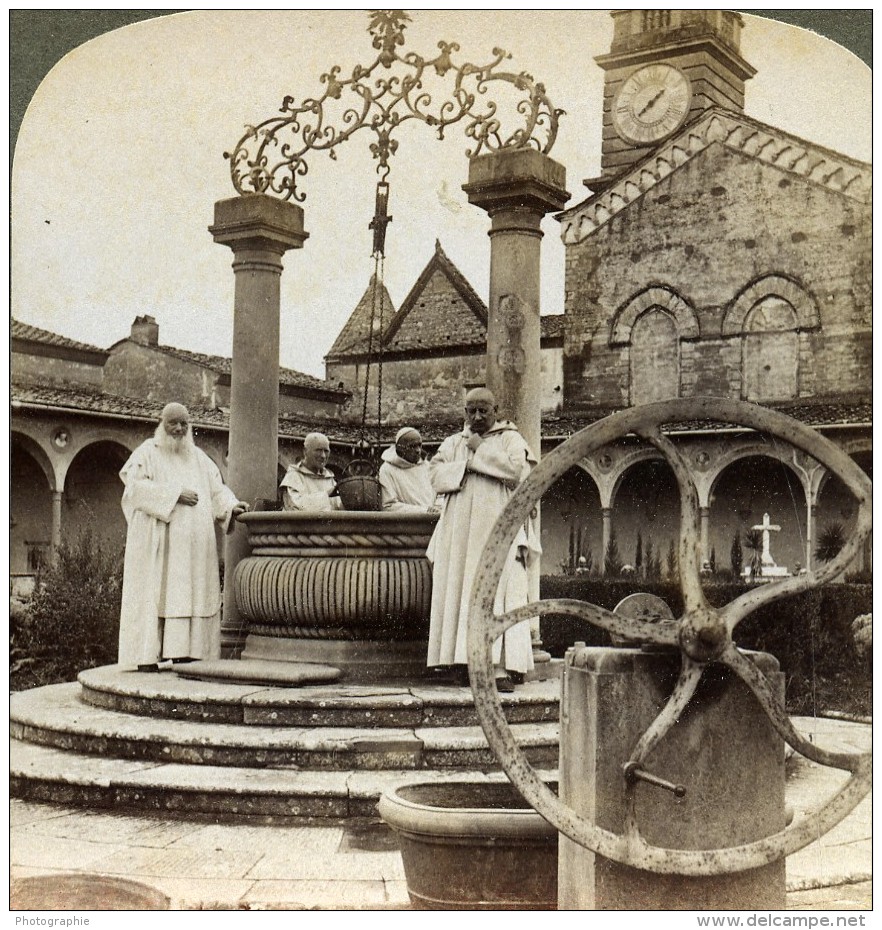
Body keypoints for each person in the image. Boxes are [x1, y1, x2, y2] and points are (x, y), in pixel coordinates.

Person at [118, 402, 249, 671]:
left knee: (192, 596)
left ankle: (187, 653)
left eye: (184, 424)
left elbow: (217, 490)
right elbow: (134, 489)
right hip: (161, 547)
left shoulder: (198, 457)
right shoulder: (148, 453)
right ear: (162, 424)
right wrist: (174, 494)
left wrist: (231, 505)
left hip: (193, 551)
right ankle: (148, 657)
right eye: (173, 423)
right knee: (159, 595)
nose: (179, 429)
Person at [426, 387, 538, 691]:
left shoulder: (511, 439)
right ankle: (461, 663)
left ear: (496, 410)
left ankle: (499, 668)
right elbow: (435, 475)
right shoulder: (452, 443)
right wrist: (469, 461)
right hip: (459, 535)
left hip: (497, 529)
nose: (476, 416)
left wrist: (479, 450)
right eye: (471, 410)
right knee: (460, 590)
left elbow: (517, 472)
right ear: (464, 412)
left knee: (500, 591)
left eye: (483, 411)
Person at [378, 427, 438, 513]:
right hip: (405, 524)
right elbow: (388, 506)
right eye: (412, 446)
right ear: (400, 448)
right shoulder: (387, 470)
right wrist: (423, 511)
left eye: (419, 445)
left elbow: (439, 495)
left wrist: (437, 508)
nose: (418, 450)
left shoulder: (427, 466)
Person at [280, 432, 342, 511]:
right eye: (318, 450)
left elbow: (338, 505)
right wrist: (326, 495)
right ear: (305, 451)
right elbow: (295, 507)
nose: (323, 456)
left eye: (326, 451)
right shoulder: (293, 476)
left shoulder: (330, 479)